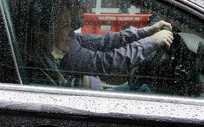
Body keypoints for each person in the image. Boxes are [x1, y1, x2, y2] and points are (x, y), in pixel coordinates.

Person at [17, 0, 173, 90]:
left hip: (90, 98)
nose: (72, 31)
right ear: (42, 33)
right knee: (144, 91)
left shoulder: (56, 46)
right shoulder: (66, 55)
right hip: (87, 106)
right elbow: (107, 62)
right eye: (65, 25)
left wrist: (147, 31)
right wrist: (151, 42)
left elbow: (105, 41)